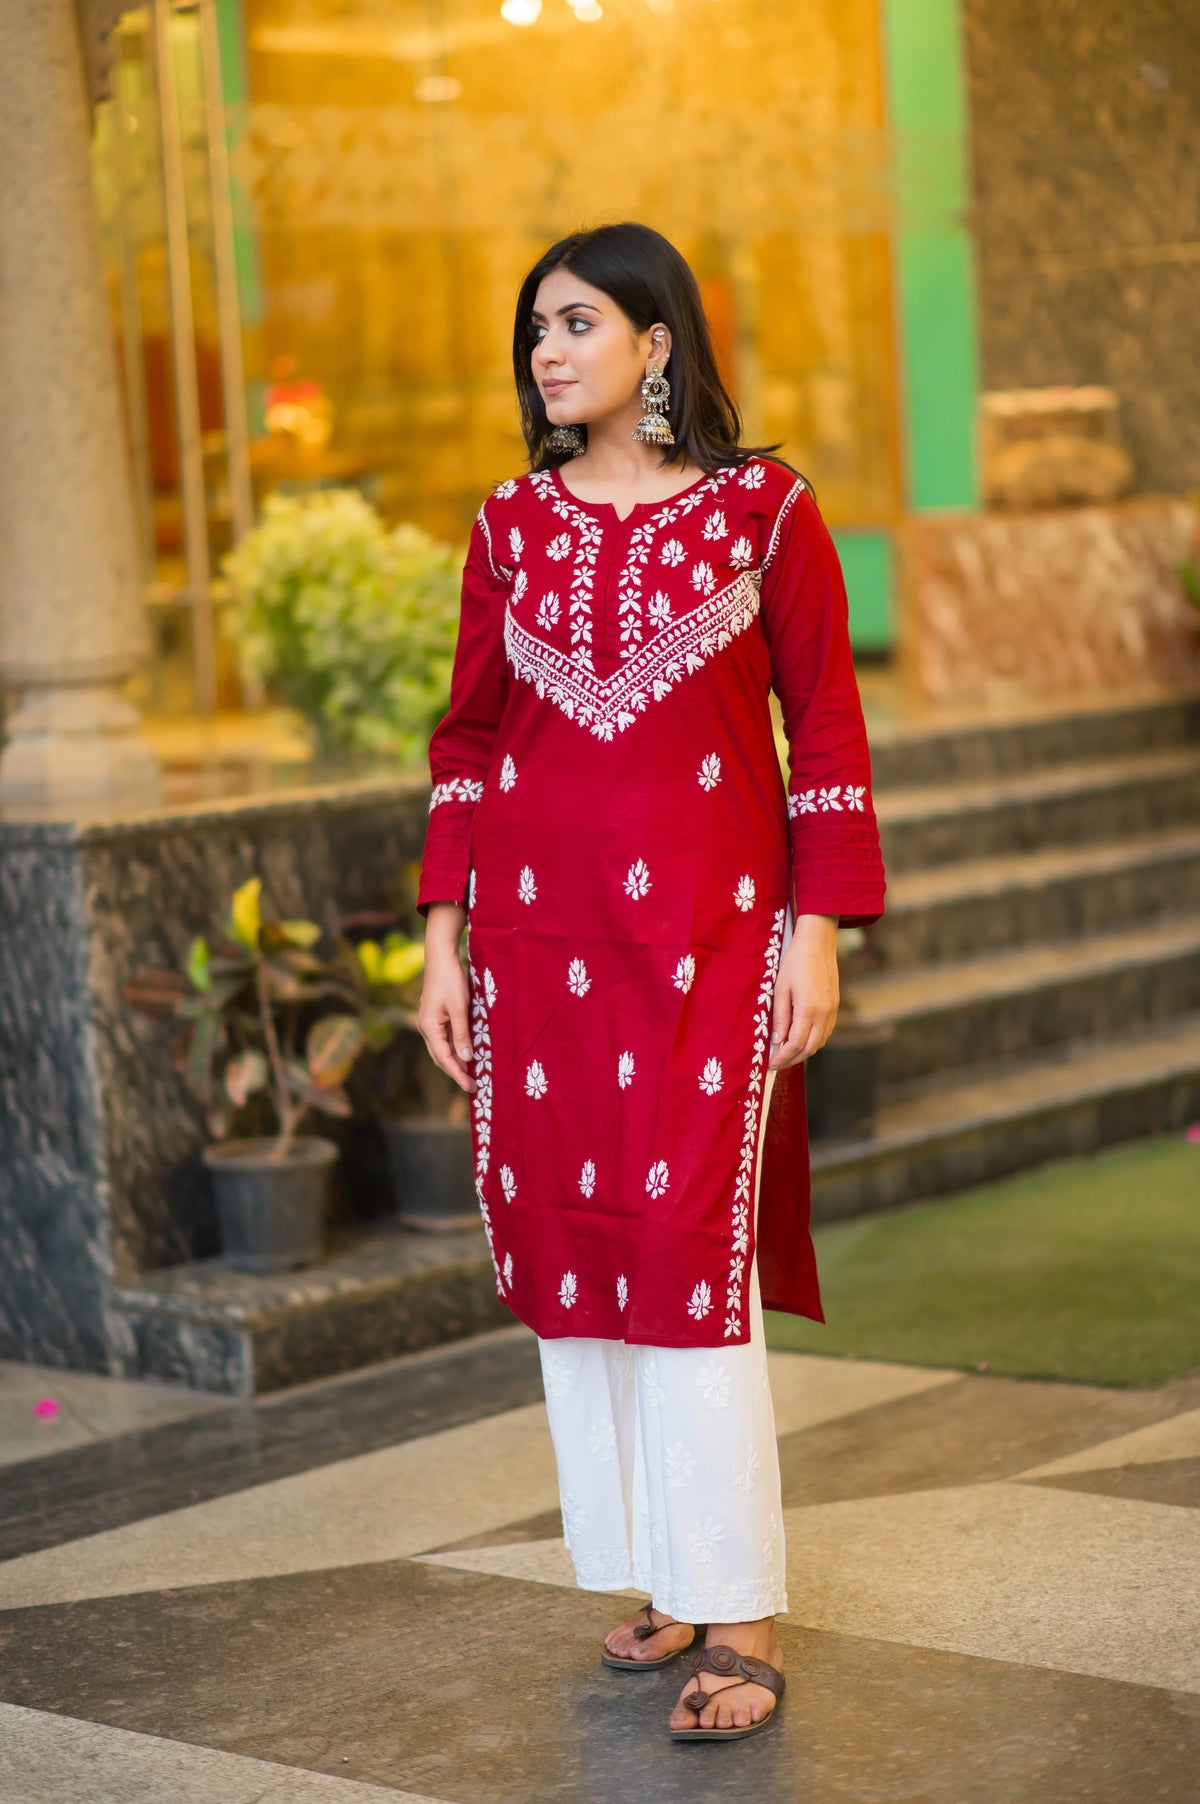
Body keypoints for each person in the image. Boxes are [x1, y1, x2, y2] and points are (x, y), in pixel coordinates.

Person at [416, 221, 886, 1743]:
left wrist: (819, 928)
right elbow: (471, 741)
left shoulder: (765, 512)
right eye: (534, 334)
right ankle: (660, 1575)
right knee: (580, 1258)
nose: (547, 354)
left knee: (687, 1251)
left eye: (574, 324)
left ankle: (739, 1616)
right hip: (540, 952)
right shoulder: (510, 525)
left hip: (709, 943)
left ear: (657, 343)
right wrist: (442, 935)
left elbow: (823, 727)